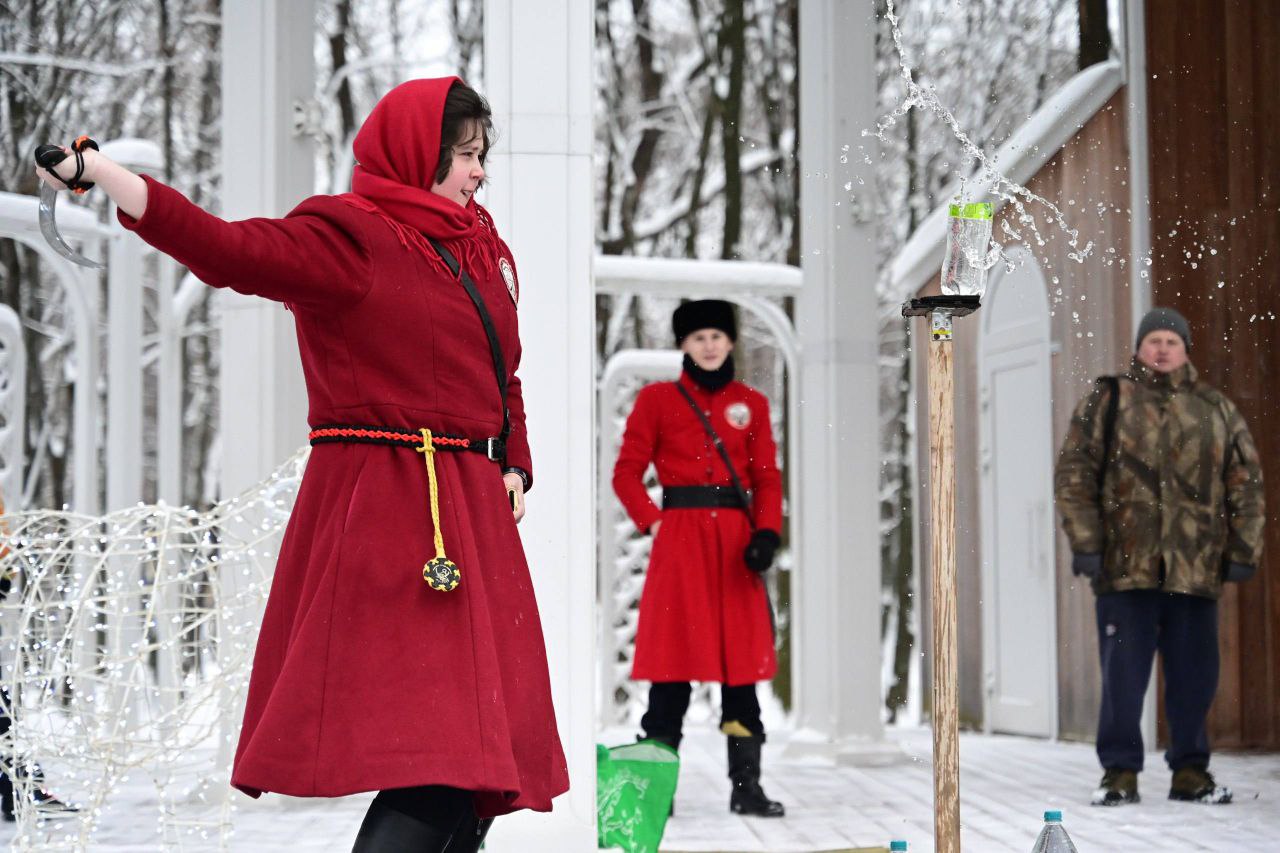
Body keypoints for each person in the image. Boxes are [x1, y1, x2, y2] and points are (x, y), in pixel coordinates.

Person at [37, 77, 568, 852]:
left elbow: (501, 371)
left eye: (482, 154)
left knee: (483, 762)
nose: (479, 172)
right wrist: (109, 176)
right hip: (397, 517)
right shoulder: (350, 238)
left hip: (475, 516)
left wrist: (514, 460)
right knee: (443, 760)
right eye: (464, 154)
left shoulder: (477, 248)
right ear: (417, 153)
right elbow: (227, 249)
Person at [1054, 307, 1265, 808]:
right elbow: (1075, 475)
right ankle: (1119, 773)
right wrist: (1087, 544)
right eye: (1155, 340)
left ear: (1186, 349)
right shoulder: (1108, 400)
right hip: (1125, 569)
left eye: (1173, 340)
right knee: (1123, 680)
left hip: (1196, 569)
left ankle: (1190, 772)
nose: (1163, 349)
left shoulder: (1214, 408)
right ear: (1139, 347)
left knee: (1195, 677)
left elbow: (1246, 483)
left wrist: (1243, 550)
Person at [612, 300, 786, 818]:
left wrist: (767, 533)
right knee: (671, 673)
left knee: (740, 673)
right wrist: (653, 522)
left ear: (730, 341)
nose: (709, 345)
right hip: (680, 544)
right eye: (698, 337)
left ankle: (747, 788)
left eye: (717, 336)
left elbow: (767, 477)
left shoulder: (751, 404)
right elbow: (626, 472)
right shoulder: (657, 400)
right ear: (683, 344)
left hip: (735, 547)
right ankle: (655, 791)